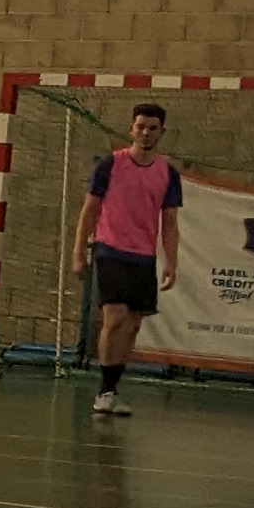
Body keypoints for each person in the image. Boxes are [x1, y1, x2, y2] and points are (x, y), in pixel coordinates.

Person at [67, 101, 183, 418]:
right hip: (109, 250)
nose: (146, 133)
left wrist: (171, 262)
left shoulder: (168, 174)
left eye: (152, 128)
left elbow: (170, 222)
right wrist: (78, 253)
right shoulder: (110, 165)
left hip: (143, 257)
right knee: (115, 318)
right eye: (140, 127)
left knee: (132, 325)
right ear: (132, 129)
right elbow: (89, 211)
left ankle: (112, 388)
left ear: (161, 132)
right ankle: (104, 392)